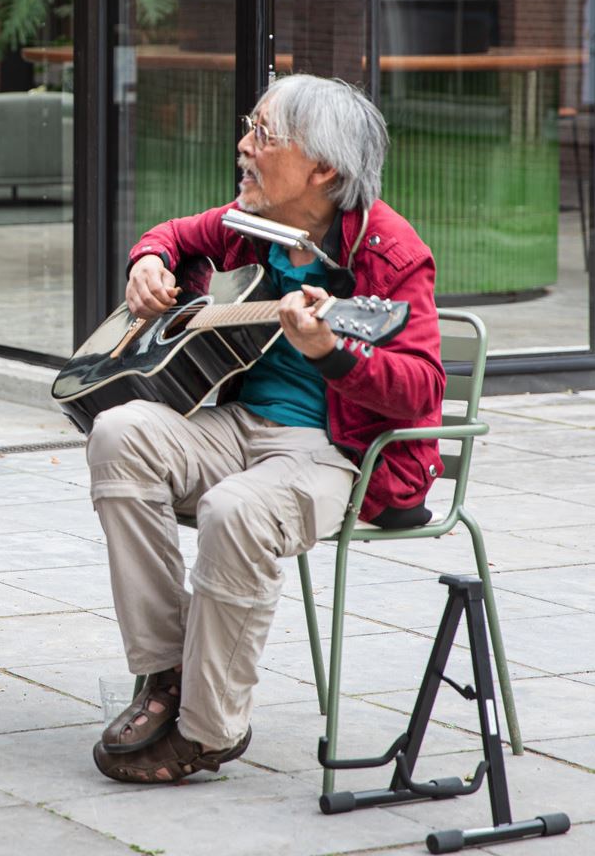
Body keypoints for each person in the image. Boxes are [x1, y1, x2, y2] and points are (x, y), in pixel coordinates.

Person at [86, 74, 444, 783]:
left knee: (235, 509)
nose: (242, 146)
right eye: (249, 127)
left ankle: (207, 731)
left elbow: (423, 390)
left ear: (323, 170)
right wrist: (148, 263)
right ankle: (167, 677)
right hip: (237, 424)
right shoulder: (253, 221)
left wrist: (335, 352)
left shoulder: (390, 252)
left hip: (338, 455)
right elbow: (171, 235)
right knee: (119, 431)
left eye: (263, 135)